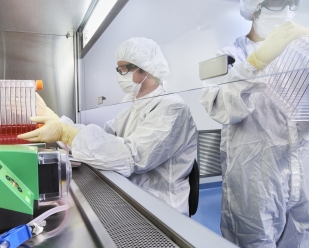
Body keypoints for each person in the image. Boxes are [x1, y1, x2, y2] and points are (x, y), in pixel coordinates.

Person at [18, 37, 198, 216]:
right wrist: (60, 123)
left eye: (124, 69)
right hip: (134, 196)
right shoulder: (132, 107)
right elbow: (105, 139)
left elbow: (132, 158)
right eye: (119, 69)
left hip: (163, 209)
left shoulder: (173, 109)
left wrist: (66, 133)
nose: (120, 74)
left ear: (145, 69)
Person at [200, 0, 309, 247]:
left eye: (291, 2)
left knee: (305, 236)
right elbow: (219, 107)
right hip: (256, 178)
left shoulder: (307, 56)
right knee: (254, 239)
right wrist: (256, 63)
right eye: (277, 2)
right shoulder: (228, 57)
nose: (286, 8)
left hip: (308, 173)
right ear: (255, 9)